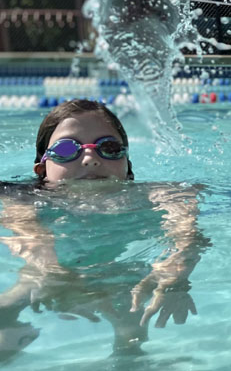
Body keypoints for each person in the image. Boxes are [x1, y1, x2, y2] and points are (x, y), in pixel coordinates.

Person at [0, 99, 206, 358]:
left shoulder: (158, 194)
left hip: (117, 273)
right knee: (27, 286)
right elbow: (30, 235)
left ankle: (129, 353)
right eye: (66, 150)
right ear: (42, 169)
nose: (89, 158)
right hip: (48, 271)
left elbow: (186, 227)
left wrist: (176, 273)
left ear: (127, 167)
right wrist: (56, 274)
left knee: (132, 307)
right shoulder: (21, 197)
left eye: (108, 148)